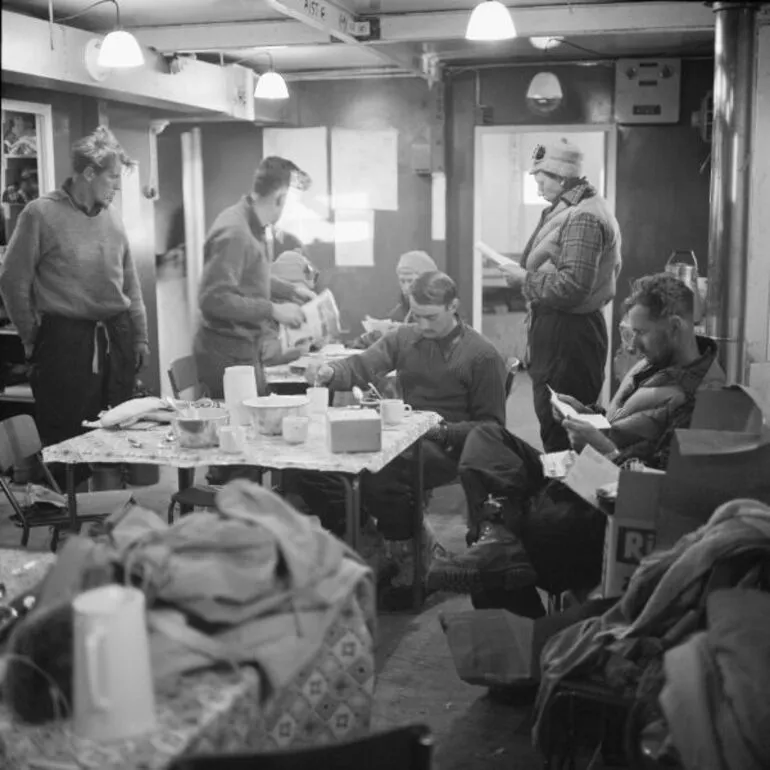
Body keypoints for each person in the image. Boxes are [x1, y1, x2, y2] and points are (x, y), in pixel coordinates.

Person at [429, 274, 725, 618]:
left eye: (642, 333)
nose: (634, 346)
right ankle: (500, 540)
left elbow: (663, 482)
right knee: (486, 438)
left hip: (609, 493)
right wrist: (588, 413)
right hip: (581, 471)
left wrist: (602, 448)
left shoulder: (705, 398)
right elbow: (621, 423)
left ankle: (508, 570)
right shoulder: (656, 364)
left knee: (505, 534)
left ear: (675, 327)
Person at [295, 271, 508, 604]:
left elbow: (493, 429)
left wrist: (440, 429)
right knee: (317, 466)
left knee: (383, 473)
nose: (421, 325)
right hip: (406, 436)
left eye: (430, 317)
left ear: (454, 307)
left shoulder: (482, 356)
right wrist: (330, 372)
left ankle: (410, 559)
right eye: (415, 315)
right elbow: (363, 365)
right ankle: (375, 544)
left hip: (450, 445)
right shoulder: (404, 337)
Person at [0, 126, 149, 456]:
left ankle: (110, 504)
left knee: (117, 436)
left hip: (116, 335)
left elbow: (130, 282)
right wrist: (30, 336)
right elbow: (12, 280)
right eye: (111, 178)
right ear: (88, 173)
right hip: (64, 343)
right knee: (68, 441)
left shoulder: (112, 217)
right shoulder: (40, 214)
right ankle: (64, 503)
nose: (116, 187)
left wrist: (140, 337)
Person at [500, 138, 622, 452]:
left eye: (541, 179)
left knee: (563, 432)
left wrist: (524, 279)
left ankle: (567, 498)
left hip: (569, 337)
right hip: (560, 334)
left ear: (562, 176)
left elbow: (572, 288)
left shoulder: (582, 217)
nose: (538, 186)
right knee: (555, 427)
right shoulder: (569, 209)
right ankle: (562, 496)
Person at [193, 156, 316, 398]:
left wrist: (290, 291)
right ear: (280, 197)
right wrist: (273, 310)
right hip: (227, 354)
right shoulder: (235, 232)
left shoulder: (255, 226)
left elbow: (249, 277)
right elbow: (213, 299)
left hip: (245, 349)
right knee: (246, 428)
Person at [351, 250, 438, 349]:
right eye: (402, 281)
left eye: (410, 281)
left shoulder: (439, 309)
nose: (406, 287)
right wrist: (369, 338)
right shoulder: (402, 310)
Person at [260, 250, 320, 367]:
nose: (296, 308)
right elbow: (260, 354)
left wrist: (315, 340)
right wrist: (294, 348)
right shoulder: (262, 316)